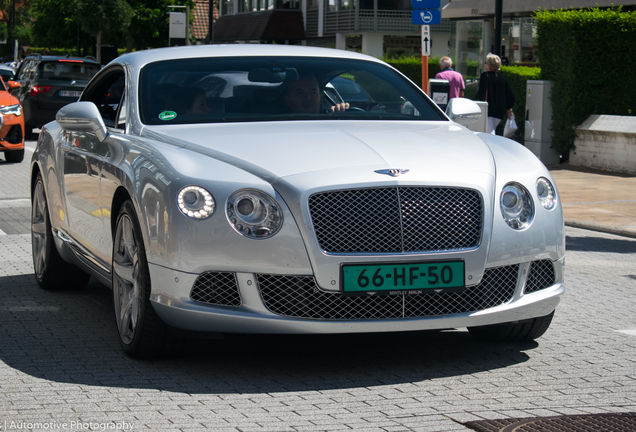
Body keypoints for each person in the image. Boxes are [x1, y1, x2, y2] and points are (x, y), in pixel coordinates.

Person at [475, 53, 515, 135]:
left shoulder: (485, 76)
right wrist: (509, 109)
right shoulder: (502, 77)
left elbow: (481, 92)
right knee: (492, 129)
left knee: (489, 132)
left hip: (488, 109)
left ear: (489, 64)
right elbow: (508, 94)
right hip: (499, 110)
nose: (485, 64)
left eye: (486, 62)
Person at [283, 74, 349, 114]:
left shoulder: (333, 121)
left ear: (320, 97)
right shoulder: (277, 126)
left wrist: (340, 114)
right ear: (287, 100)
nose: (308, 97)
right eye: (300, 93)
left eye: (313, 93)